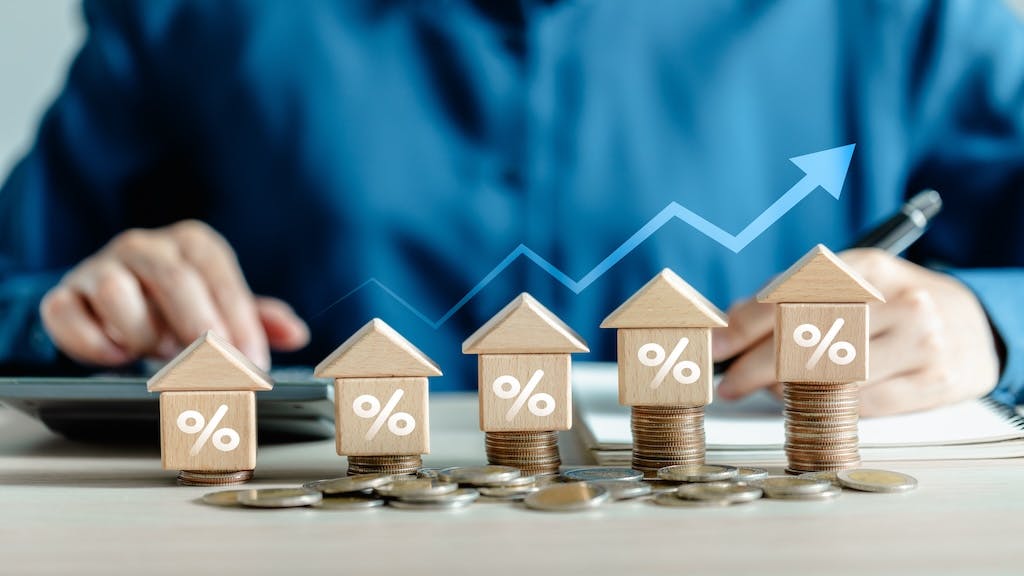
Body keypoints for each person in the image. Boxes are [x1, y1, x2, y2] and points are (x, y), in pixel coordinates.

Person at [0, 0, 1021, 416]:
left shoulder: (910, 16)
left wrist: (985, 325)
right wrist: (75, 314)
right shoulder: (190, 17)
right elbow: (14, 297)